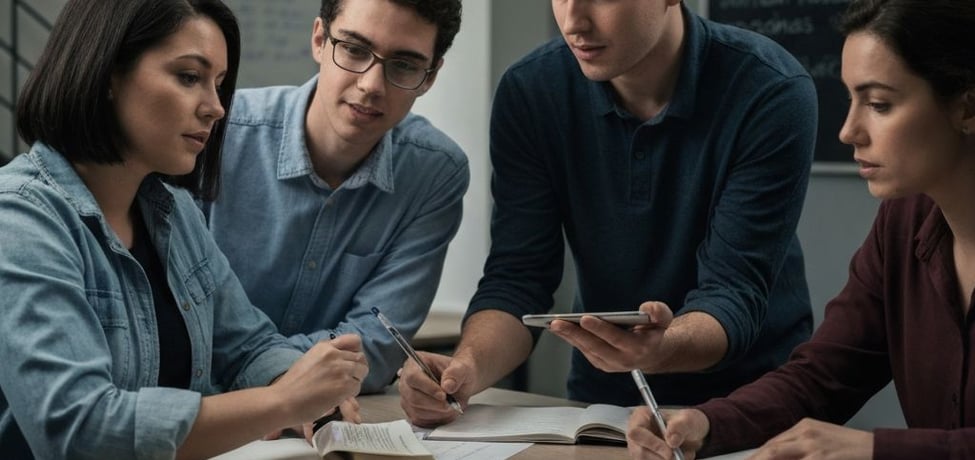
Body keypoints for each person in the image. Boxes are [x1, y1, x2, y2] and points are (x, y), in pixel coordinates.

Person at [399, 0, 818, 425]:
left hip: (754, 403)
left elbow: (734, 293)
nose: (572, 21)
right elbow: (517, 278)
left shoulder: (769, 87)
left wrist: (660, 348)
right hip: (605, 405)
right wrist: (465, 371)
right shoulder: (532, 91)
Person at [0, 0, 369, 458]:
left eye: (218, 85)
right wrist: (283, 399)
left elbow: (247, 344)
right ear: (107, 74)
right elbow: (77, 427)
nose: (215, 108)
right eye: (189, 77)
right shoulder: (17, 219)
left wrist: (308, 393)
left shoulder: (172, 210)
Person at [626, 0, 975, 458]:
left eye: (878, 104)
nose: (848, 131)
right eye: (851, 99)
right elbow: (824, 375)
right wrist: (706, 422)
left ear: (968, 107)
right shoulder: (901, 224)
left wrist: (877, 450)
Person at [201, 0, 468, 394]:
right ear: (319, 40)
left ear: (429, 77)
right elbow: (181, 329)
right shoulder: (216, 132)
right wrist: (276, 382)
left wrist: (263, 374)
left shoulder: (434, 172)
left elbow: (376, 349)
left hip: (331, 424)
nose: (371, 85)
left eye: (404, 65)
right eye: (355, 50)